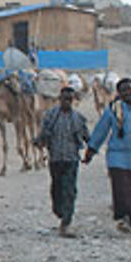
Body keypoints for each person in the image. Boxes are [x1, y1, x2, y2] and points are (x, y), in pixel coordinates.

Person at [84, 77, 131, 233]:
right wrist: (91, 151)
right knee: (121, 189)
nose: (128, 93)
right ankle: (125, 219)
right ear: (119, 93)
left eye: (130, 89)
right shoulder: (113, 111)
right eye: (124, 90)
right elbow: (101, 131)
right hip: (118, 157)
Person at [34, 86, 89, 237]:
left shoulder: (78, 118)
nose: (67, 102)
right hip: (56, 158)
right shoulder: (50, 116)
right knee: (57, 188)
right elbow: (43, 134)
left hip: (71, 159)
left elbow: (86, 136)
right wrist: (38, 142)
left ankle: (66, 221)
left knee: (70, 190)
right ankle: (60, 211)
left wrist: (91, 150)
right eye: (64, 99)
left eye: (70, 99)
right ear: (59, 99)